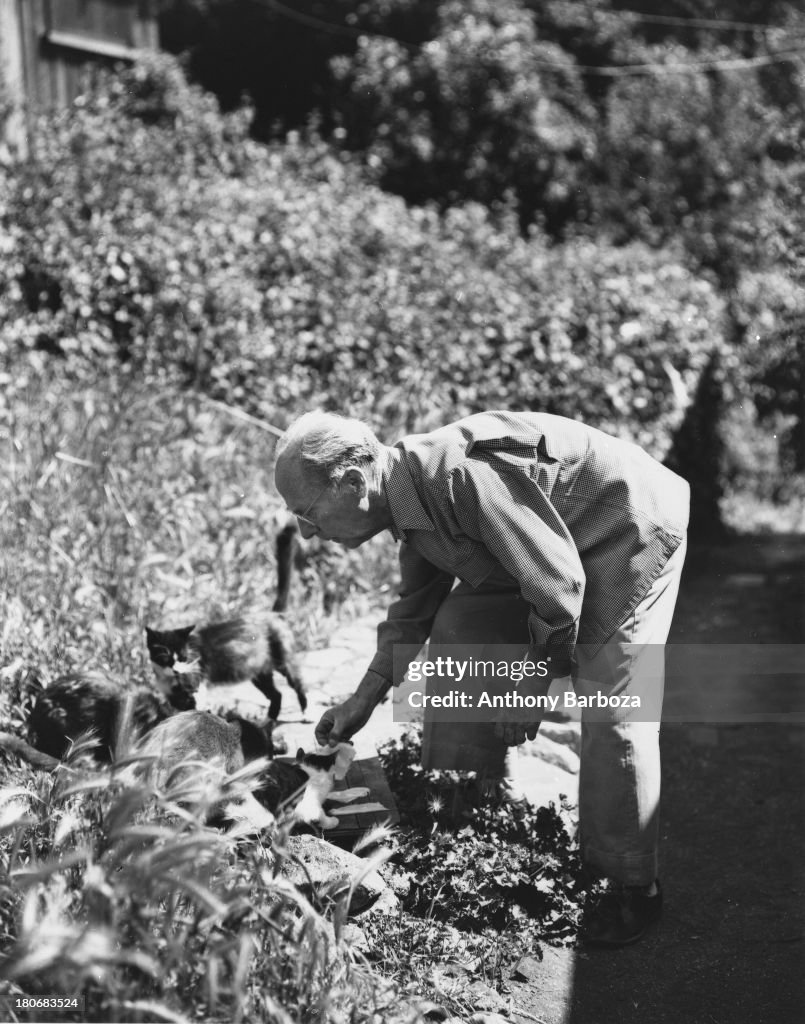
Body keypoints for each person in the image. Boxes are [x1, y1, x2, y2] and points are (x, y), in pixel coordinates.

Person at [274, 409, 689, 947]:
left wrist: (529, 688)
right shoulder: (403, 499)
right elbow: (416, 608)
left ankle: (630, 885)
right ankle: (467, 803)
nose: (306, 532)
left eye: (308, 513)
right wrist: (364, 698)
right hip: (549, 552)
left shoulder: (457, 478)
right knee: (458, 624)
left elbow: (560, 588)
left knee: (614, 710)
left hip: (625, 531)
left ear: (353, 481)